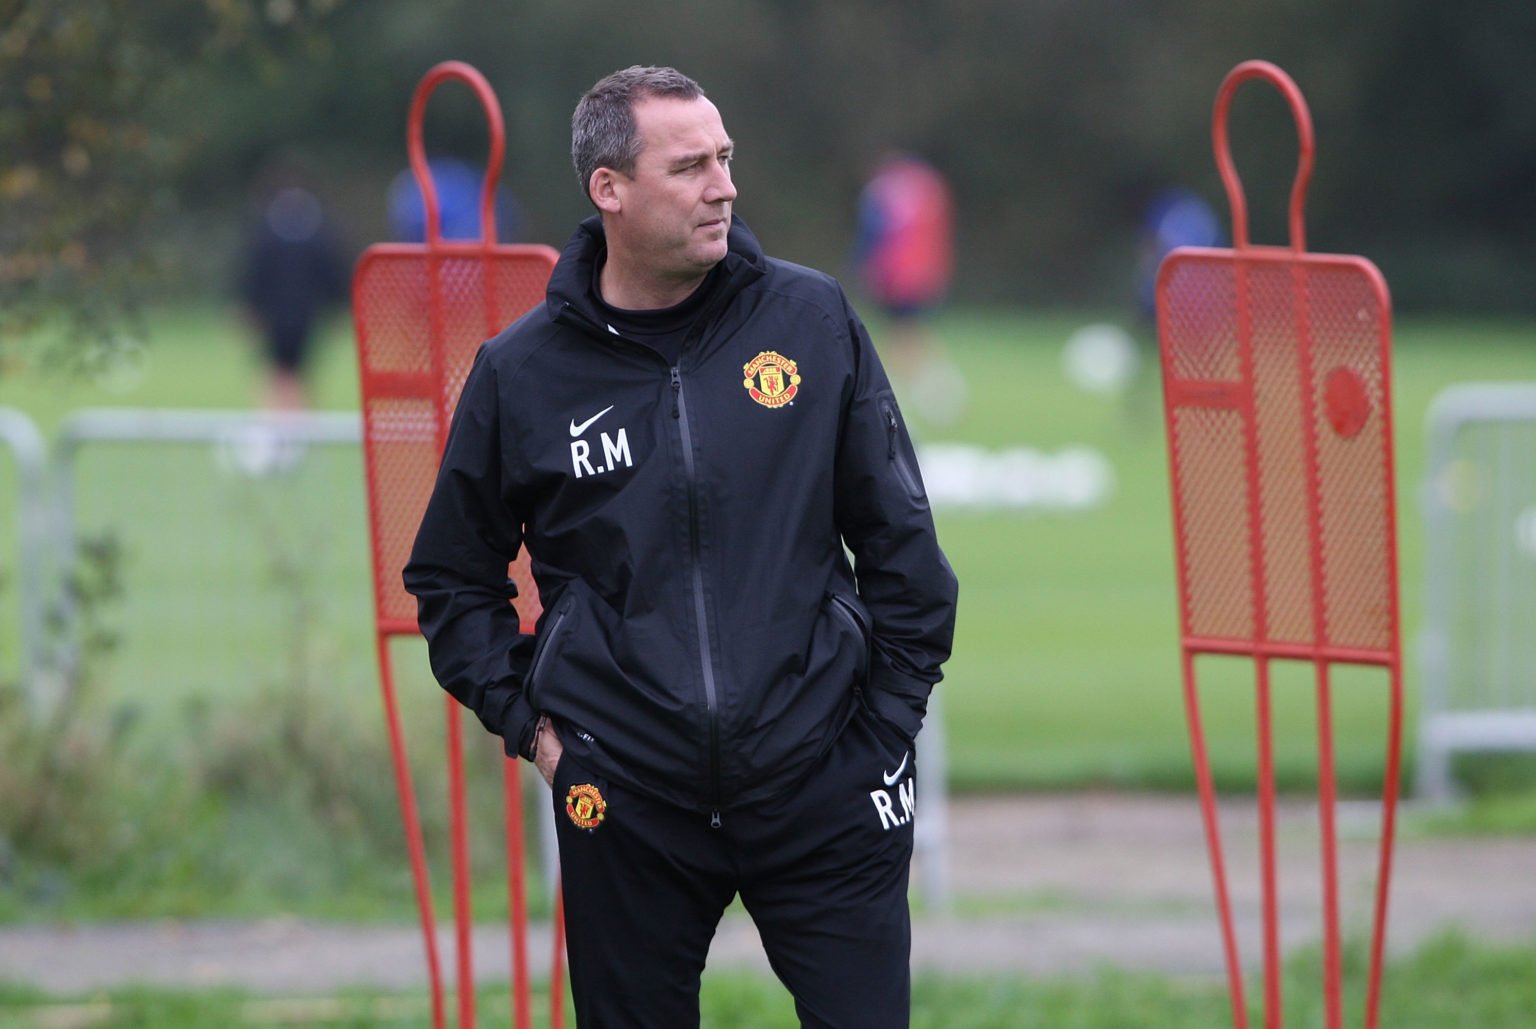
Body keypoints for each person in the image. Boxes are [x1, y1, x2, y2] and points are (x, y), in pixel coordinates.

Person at [404, 66, 958, 1027]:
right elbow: (452, 579)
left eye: (726, 158)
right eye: (691, 165)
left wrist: (883, 730)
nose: (724, 185)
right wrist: (539, 734)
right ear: (609, 189)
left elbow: (903, 546)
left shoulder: (811, 320)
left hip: (826, 779)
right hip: (624, 804)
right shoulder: (521, 374)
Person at [851, 152, 965, 424]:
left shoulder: (880, 193)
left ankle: (931, 394)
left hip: (894, 275)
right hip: (925, 274)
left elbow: (871, 236)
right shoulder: (929, 186)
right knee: (909, 332)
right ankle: (931, 391)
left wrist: (862, 267)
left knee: (902, 334)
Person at [236, 172, 348, 411]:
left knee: (288, 373)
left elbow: (332, 275)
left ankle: (287, 423)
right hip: (289, 316)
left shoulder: (270, 235)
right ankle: (285, 423)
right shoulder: (317, 235)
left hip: (293, 316)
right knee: (283, 372)